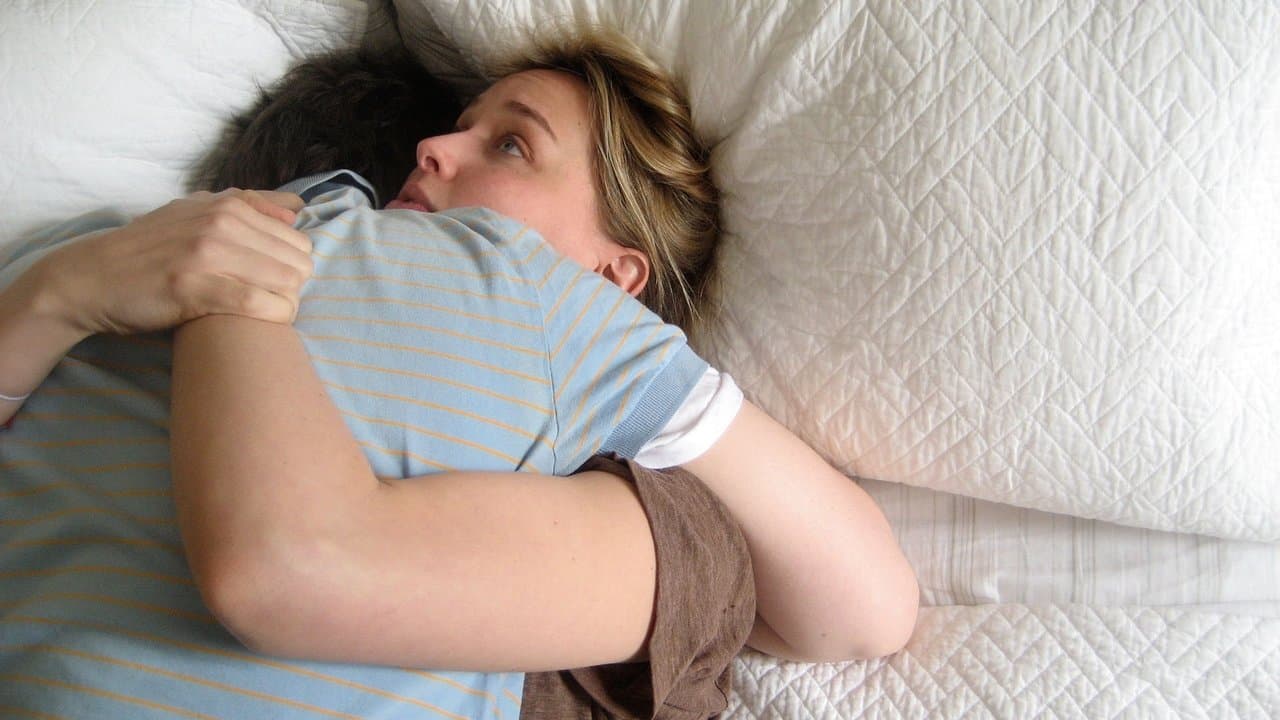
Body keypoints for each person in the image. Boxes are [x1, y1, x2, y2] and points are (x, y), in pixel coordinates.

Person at [1, 28, 917, 716]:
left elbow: (866, 605)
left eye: (512, 145)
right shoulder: (125, 237)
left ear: (614, 275)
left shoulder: (563, 309)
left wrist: (230, 280)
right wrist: (59, 292)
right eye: (460, 126)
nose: (432, 149)